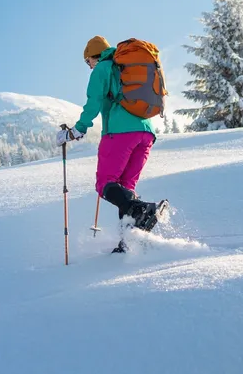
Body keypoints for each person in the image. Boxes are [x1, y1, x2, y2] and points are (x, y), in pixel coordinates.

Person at [59, 35, 166, 243]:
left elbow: (94, 102)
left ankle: (143, 210)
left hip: (120, 132)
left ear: (94, 56)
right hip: (146, 133)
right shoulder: (123, 67)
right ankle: (127, 243)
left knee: (105, 184)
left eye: (88, 61)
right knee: (125, 189)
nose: (89, 66)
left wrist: (77, 130)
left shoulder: (103, 68)